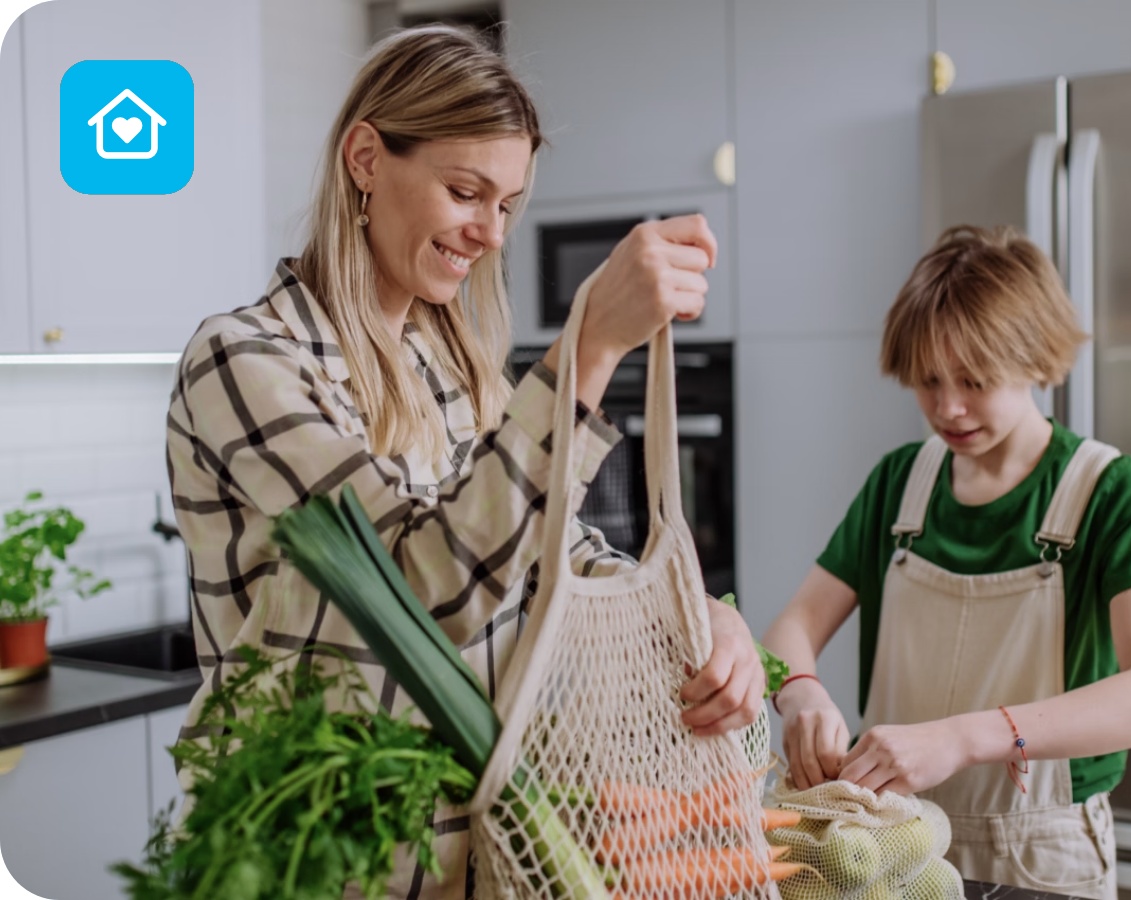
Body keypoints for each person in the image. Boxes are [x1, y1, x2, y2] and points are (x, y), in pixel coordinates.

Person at [165, 25, 764, 899]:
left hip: (459, 851)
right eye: (465, 191)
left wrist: (702, 620)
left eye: (508, 204)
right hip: (306, 858)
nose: (490, 231)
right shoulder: (244, 361)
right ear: (366, 159)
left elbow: (542, 553)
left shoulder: (456, 368)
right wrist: (589, 346)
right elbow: (415, 591)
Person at [760, 225, 1131, 900]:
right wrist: (801, 694)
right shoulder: (900, 483)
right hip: (890, 841)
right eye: (928, 380)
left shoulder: (1107, 492)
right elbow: (793, 629)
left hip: (1041, 850)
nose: (948, 407)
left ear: (1036, 359)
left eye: (975, 380)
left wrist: (965, 738)